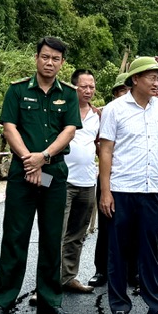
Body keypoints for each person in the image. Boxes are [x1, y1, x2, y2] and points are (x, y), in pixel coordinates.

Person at [0, 37, 82, 314]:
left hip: (54, 172)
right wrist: (29, 159)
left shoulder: (68, 94)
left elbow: (69, 130)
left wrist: (44, 157)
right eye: (45, 57)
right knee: (15, 238)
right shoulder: (17, 90)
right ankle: (3, 304)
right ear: (36, 58)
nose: (49, 62)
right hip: (22, 172)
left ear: (62, 63)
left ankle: (50, 301)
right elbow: (9, 126)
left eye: (55, 58)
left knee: (52, 238)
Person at [97, 57, 158, 314]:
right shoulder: (115, 109)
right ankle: (119, 307)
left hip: (150, 190)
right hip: (121, 189)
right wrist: (105, 191)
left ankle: (156, 307)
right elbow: (106, 150)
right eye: (151, 77)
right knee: (118, 250)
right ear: (135, 79)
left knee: (149, 250)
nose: (156, 82)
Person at [59, 69, 100, 293]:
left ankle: (68, 277)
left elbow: (102, 147)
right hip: (61, 182)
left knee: (77, 234)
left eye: (91, 87)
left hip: (87, 183)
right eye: (83, 86)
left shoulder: (97, 116)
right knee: (55, 234)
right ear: (74, 87)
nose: (88, 90)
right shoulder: (61, 111)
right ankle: (46, 284)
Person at [88, 72, 130, 288]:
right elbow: (96, 144)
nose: (126, 94)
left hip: (132, 181)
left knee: (133, 229)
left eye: (129, 90)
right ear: (115, 93)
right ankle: (101, 270)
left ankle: (132, 272)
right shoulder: (103, 114)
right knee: (106, 228)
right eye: (122, 91)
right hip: (108, 179)